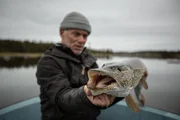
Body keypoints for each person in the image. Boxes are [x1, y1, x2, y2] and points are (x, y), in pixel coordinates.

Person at [36, 11, 123, 120]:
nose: (82, 40)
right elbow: (61, 98)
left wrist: (123, 87)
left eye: (85, 36)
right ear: (62, 32)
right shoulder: (48, 62)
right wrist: (87, 93)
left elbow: (102, 99)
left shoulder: (89, 61)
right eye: (76, 34)